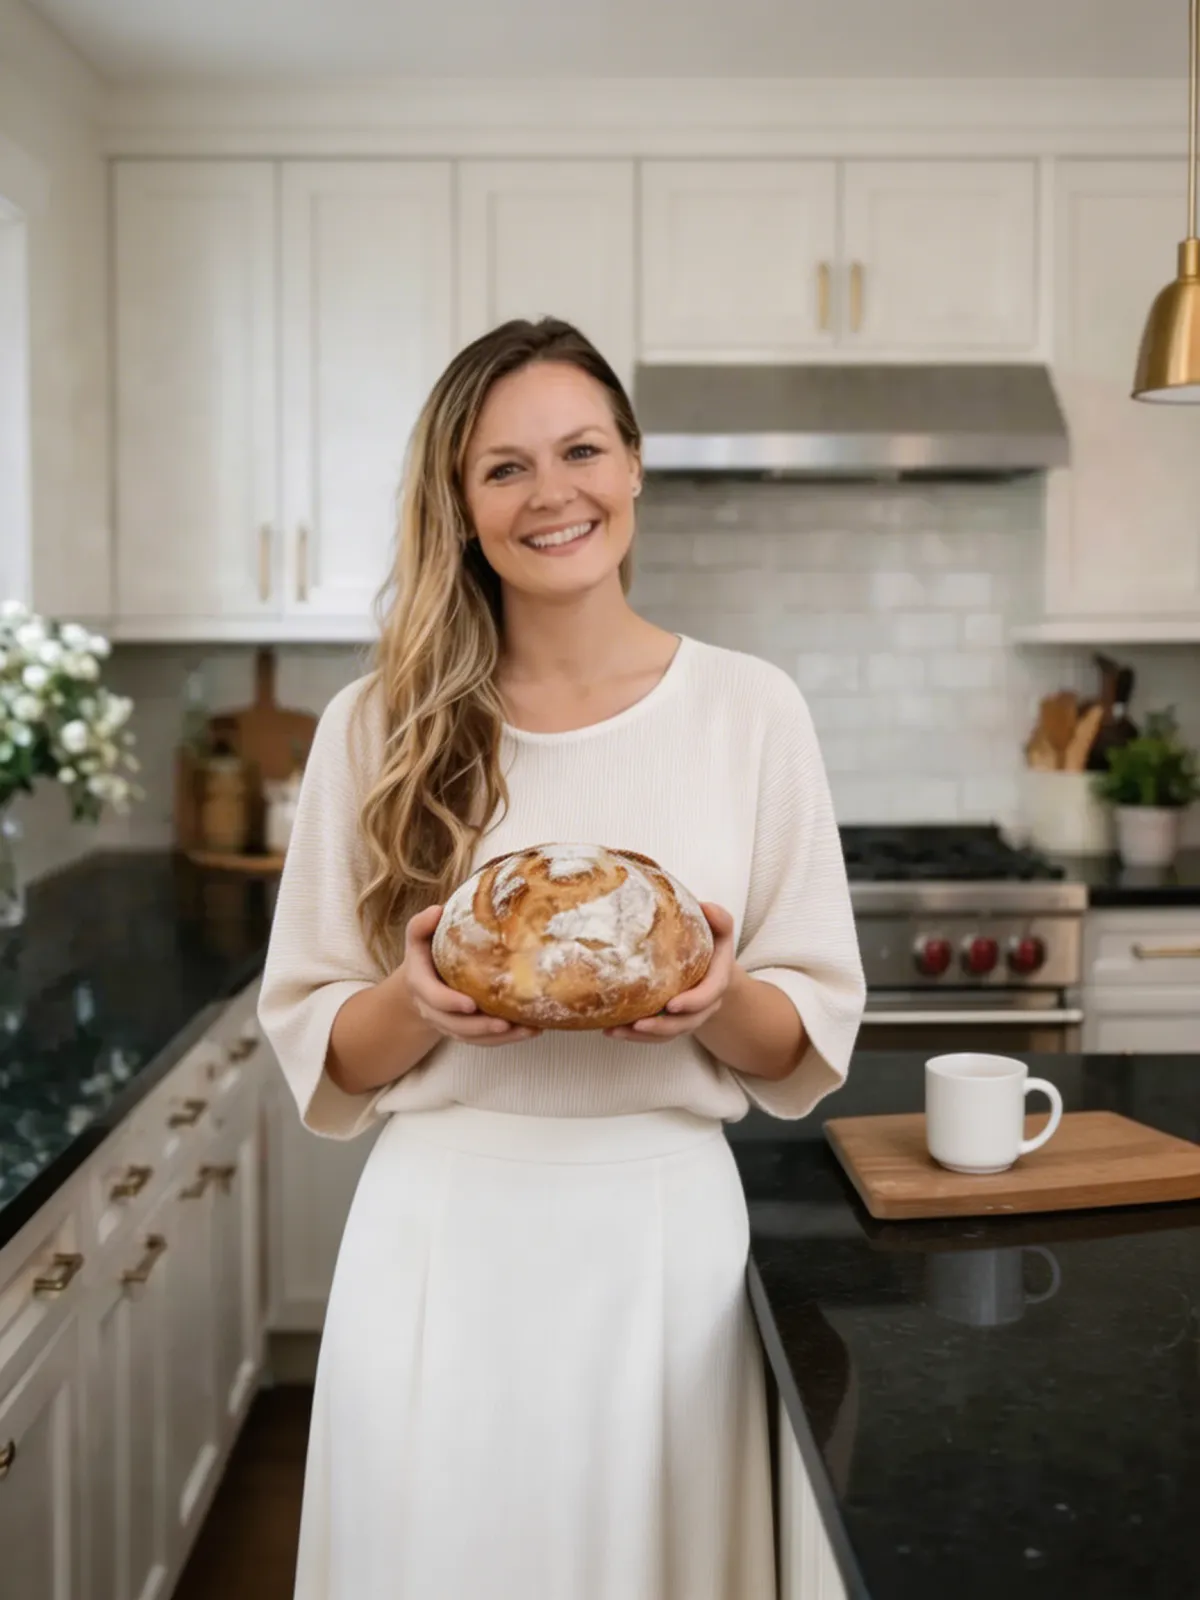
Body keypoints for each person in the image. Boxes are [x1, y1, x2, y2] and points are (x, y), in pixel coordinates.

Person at [258, 315, 866, 1600]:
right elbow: (330, 1052)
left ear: (635, 465)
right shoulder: (378, 727)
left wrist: (716, 995)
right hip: (442, 1239)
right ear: (461, 503)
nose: (554, 494)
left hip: (662, 1242)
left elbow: (795, 1048)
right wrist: (417, 1001)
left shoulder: (751, 710)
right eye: (505, 467)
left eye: (581, 448)